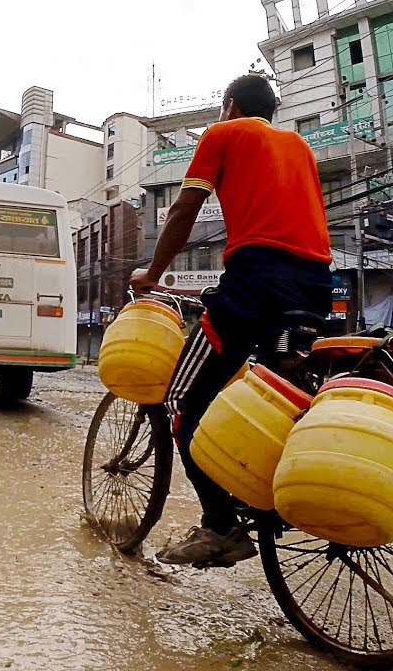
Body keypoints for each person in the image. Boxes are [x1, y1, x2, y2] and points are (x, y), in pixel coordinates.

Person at [129, 73, 332, 568]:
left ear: (230, 106)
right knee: (278, 400)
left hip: (254, 284)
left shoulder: (222, 135)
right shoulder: (300, 148)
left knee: (182, 399)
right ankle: (275, 497)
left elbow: (182, 210)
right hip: (315, 286)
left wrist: (152, 273)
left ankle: (221, 526)